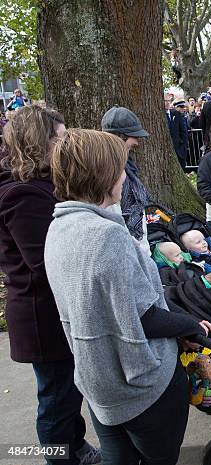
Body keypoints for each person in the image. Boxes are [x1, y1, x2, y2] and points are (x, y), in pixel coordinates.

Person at [45, 128, 211, 464]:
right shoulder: (106, 235)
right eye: (121, 169)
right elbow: (143, 316)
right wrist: (189, 325)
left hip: (99, 382)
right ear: (104, 175)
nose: (126, 177)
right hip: (140, 385)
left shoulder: (59, 227)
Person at [0, 106, 101, 464]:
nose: (64, 143)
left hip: (51, 308)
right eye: (57, 138)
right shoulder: (22, 193)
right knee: (57, 400)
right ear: (36, 143)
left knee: (66, 393)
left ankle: (76, 448)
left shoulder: (39, 184)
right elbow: (44, 261)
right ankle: (63, 457)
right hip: (41, 314)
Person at [101, 105, 153, 256]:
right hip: (126, 251)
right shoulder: (106, 170)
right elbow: (114, 216)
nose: (137, 142)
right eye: (134, 136)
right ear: (120, 136)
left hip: (138, 247)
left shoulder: (127, 163)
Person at [164, 94, 188, 169]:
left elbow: (183, 131)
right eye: (165, 101)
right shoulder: (159, 115)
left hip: (179, 149)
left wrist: (183, 145)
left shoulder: (176, 114)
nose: (167, 103)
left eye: (169, 101)